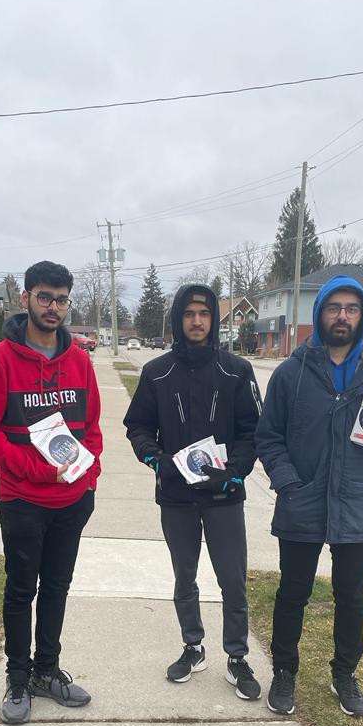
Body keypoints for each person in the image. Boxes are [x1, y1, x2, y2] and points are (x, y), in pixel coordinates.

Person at [255, 274, 363, 717]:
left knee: (351, 597)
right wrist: (288, 482)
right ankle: (284, 672)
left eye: (351, 309)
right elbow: (268, 437)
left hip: (357, 500)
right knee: (292, 592)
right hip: (302, 499)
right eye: (334, 308)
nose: (342, 316)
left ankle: (345, 674)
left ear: (362, 316)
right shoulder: (291, 372)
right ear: (320, 313)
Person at [0, 260, 102, 725]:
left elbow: (92, 428)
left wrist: (89, 474)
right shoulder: (1, 360)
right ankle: (19, 678)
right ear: (25, 298)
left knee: (57, 587)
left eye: (61, 299)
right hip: (22, 500)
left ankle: (47, 670)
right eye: (45, 297)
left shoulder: (79, 362)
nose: (53, 307)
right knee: (21, 589)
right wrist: (37, 471)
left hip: (71, 502)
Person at [123, 285, 263, 699]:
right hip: (177, 498)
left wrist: (234, 473)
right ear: (178, 320)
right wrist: (158, 461)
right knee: (184, 577)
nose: (197, 321)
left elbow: (253, 431)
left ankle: (237, 656)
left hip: (224, 497)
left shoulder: (237, 371)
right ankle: (193, 647)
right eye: (189, 314)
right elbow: (138, 427)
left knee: (232, 580)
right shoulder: (156, 372)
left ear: (213, 320)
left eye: (204, 313)